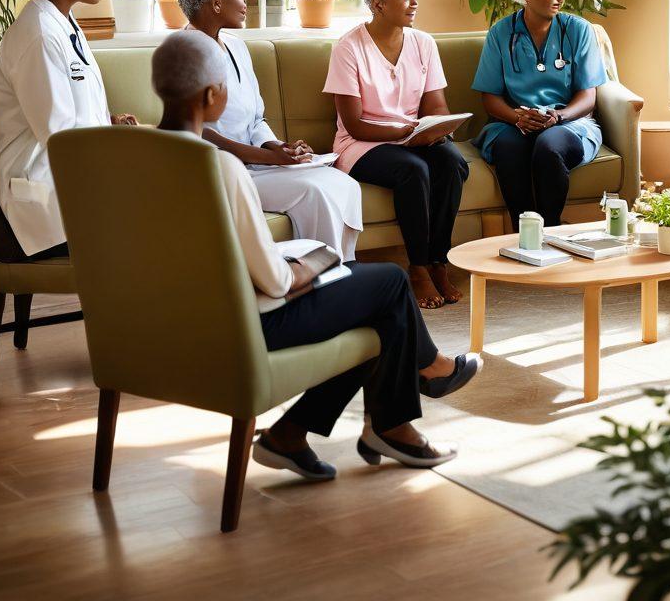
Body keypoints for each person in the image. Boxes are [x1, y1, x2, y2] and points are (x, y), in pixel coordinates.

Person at [150, 32, 481, 479]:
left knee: (376, 298)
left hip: (172, 321)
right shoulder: (221, 167)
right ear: (213, 95)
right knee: (386, 286)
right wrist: (313, 262)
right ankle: (406, 399)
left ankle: (303, 433)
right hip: (242, 324)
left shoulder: (135, 154)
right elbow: (275, 282)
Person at [176, 0, 363, 263]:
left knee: (343, 182)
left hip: (257, 164)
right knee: (313, 192)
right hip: (222, 171)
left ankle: (343, 267)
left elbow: (256, 118)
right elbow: (197, 130)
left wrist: (279, 147)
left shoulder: (236, 46)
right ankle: (319, 277)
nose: (246, 3)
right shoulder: (182, 52)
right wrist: (267, 158)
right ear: (216, 2)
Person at [0, 0, 136, 259]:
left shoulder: (63, 24)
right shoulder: (39, 34)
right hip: (42, 198)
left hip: (68, 183)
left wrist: (108, 123)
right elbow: (59, 137)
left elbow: (69, 117)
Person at [324, 0, 469, 310]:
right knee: (412, 169)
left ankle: (439, 261)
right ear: (377, 5)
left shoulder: (424, 43)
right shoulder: (349, 48)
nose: (415, 2)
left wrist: (431, 130)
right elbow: (354, 123)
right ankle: (417, 268)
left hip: (412, 136)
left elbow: (436, 106)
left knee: (452, 162)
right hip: (362, 144)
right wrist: (403, 133)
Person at [471, 0, 608, 228]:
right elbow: (490, 97)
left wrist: (558, 117)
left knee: (549, 147)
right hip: (512, 123)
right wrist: (517, 117)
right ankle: (523, 234)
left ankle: (551, 230)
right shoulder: (500, 33)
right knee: (509, 149)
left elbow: (588, 96)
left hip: (569, 123)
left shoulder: (579, 30)